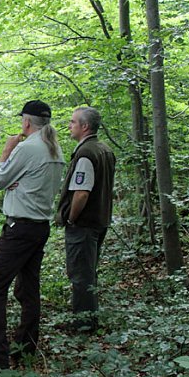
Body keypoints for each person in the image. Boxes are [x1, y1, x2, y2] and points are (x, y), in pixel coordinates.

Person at [0, 100, 65, 369]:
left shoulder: (27, 148)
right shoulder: (54, 148)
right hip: (39, 227)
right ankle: (26, 347)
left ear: (26, 122)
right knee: (28, 289)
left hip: (19, 229)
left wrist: (5, 154)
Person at [55, 106, 116, 332]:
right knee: (88, 271)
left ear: (85, 126)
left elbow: (81, 192)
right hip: (99, 221)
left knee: (81, 275)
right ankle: (88, 319)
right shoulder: (104, 149)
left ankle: (84, 325)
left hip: (85, 224)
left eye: (72, 122)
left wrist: (71, 218)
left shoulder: (86, 153)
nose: (69, 126)